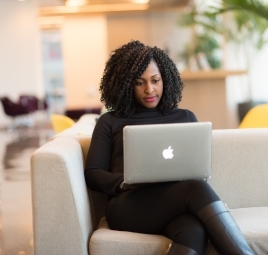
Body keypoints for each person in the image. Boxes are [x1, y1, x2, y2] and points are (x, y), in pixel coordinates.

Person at [85, 40, 254, 255]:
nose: (149, 89)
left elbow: (197, 168)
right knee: (196, 189)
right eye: (139, 82)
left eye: (155, 80)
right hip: (128, 206)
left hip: (176, 203)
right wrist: (126, 182)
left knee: (194, 230)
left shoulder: (185, 117)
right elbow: (93, 173)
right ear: (126, 85)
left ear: (165, 79)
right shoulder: (110, 121)